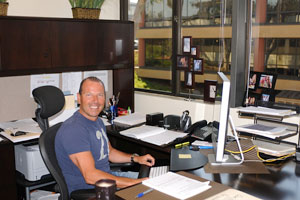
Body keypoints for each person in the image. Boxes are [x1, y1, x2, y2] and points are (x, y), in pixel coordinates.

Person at [55, 77, 155, 194]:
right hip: (92, 190)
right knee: (152, 192)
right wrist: (133, 184)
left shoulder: (97, 121)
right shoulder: (74, 130)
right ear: (79, 98)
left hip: (108, 176)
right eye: (89, 95)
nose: (95, 101)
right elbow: (90, 176)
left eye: (100, 95)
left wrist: (136, 158)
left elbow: (109, 152)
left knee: (158, 182)